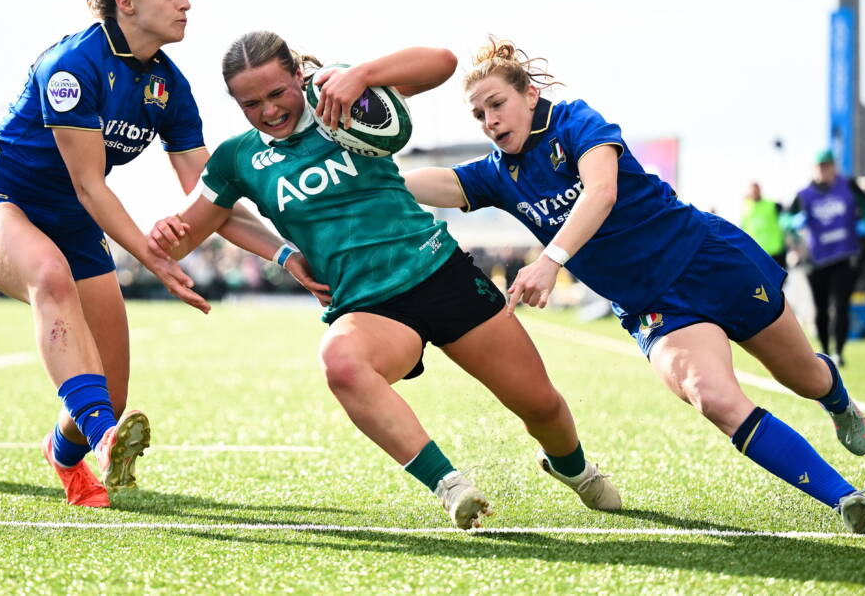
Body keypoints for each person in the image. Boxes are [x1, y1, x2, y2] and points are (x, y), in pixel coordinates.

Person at [402, 38, 865, 534]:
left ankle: (837, 401)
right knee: (714, 398)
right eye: (478, 114)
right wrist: (373, 174)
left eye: (496, 104)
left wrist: (551, 261)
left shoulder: (576, 121)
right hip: (654, 307)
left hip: (709, 261)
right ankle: (848, 500)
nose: (489, 120)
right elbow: (432, 184)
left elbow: (602, 190)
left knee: (804, 378)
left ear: (529, 94)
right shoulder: (497, 174)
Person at [148, 31, 621, 529]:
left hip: (439, 272)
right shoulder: (236, 158)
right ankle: (450, 486)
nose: (268, 110)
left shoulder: (344, 100)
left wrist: (362, 75)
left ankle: (573, 469)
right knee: (341, 362)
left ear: (297, 76)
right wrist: (173, 237)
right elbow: (190, 230)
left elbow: (441, 62)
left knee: (539, 403)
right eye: (251, 103)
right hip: (367, 308)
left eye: (276, 93)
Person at [0, 0, 325, 508]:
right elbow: (90, 185)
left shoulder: (169, 85)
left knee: (108, 396)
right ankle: (105, 440)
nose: (185, 2)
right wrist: (153, 257)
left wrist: (288, 254)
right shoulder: (74, 63)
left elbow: (212, 199)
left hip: (71, 224)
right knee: (49, 274)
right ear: (126, 3)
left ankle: (67, 450)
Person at [788, 149, 865, 367]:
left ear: (834, 167)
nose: (824, 170)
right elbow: (786, 219)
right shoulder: (804, 194)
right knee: (821, 307)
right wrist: (794, 222)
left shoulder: (848, 185)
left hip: (844, 255)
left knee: (841, 304)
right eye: (820, 167)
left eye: (828, 166)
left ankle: (839, 351)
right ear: (814, 169)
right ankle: (825, 352)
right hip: (816, 259)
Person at [741, 182, 787, 269]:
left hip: (776, 251)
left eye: (756, 190)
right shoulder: (745, 208)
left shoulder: (772, 205)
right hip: (758, 253)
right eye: (752, 191)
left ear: (760, 190)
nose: (754, 192)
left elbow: (786, 215)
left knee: (780, 281)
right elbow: (743, 228)